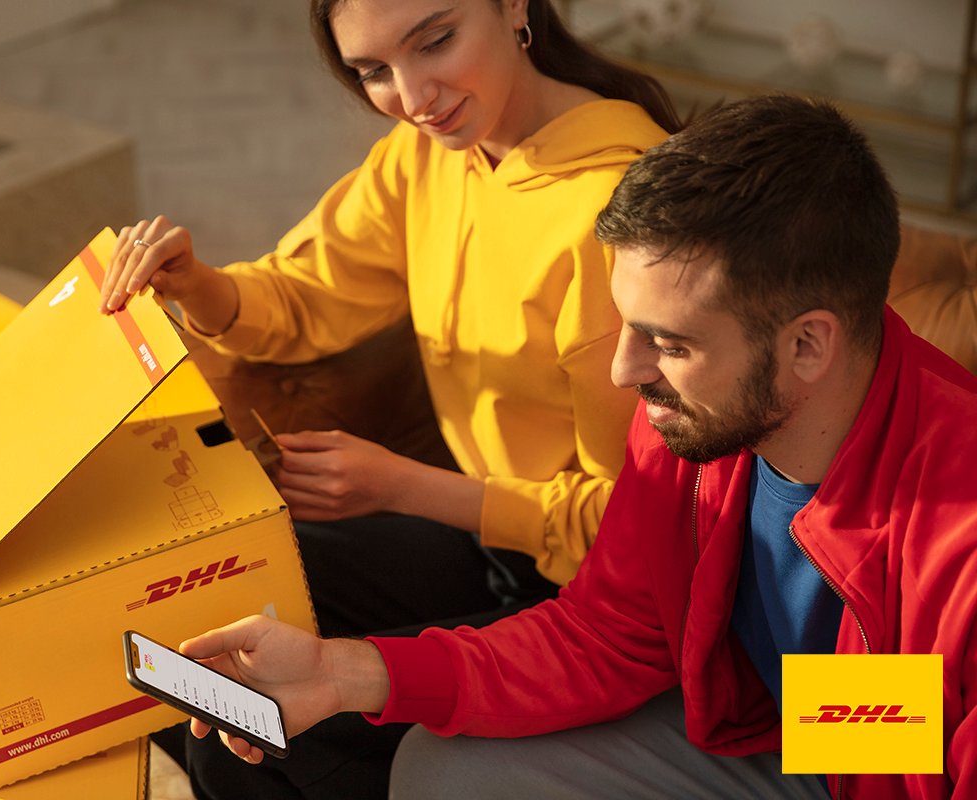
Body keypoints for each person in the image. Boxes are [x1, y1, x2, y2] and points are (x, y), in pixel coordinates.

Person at [176, 94, 977, 799]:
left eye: (670, 344)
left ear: (808, 345)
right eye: (628, 325)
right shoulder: (693, 423)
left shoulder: (959, 534)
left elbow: (930, 740)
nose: (626, 371)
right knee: (440, 769)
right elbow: (609, 632)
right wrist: (348, 673)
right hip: (782, 718)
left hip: (904, 759)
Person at [100, 1, 680, 796]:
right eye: (374, 71)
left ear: (515, 6)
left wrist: (400, 486)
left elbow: (633, 535)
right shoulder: (429, 154)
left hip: (590, 596)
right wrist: (195, 283)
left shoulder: (617, 217)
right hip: (486, 546)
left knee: (250, 730)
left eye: (435, 42)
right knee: (192, 638)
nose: (412, 98)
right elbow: (308, 293)